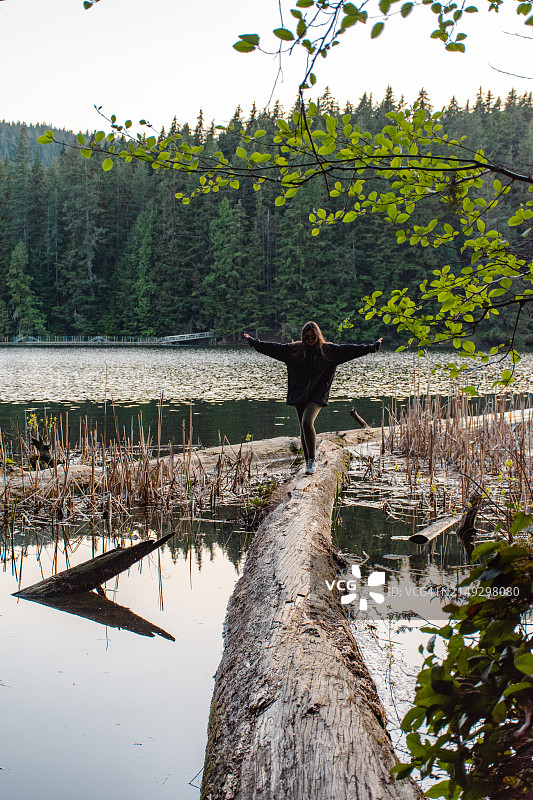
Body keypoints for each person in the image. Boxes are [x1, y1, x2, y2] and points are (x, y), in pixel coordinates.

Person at [244, 322, 383, 475]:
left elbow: (350, 350)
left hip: (317, 394)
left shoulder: (329, 351)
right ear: (303, 337)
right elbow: (273, 348)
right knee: (302, 426)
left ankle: (311, 460)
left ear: (318, 336)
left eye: (313, 337)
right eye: (307, 337)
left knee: (307, 422)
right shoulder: (294, 350)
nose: (310, 340)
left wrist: (371, 347)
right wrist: (254, 342)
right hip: (299, 394)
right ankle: (307, 461)